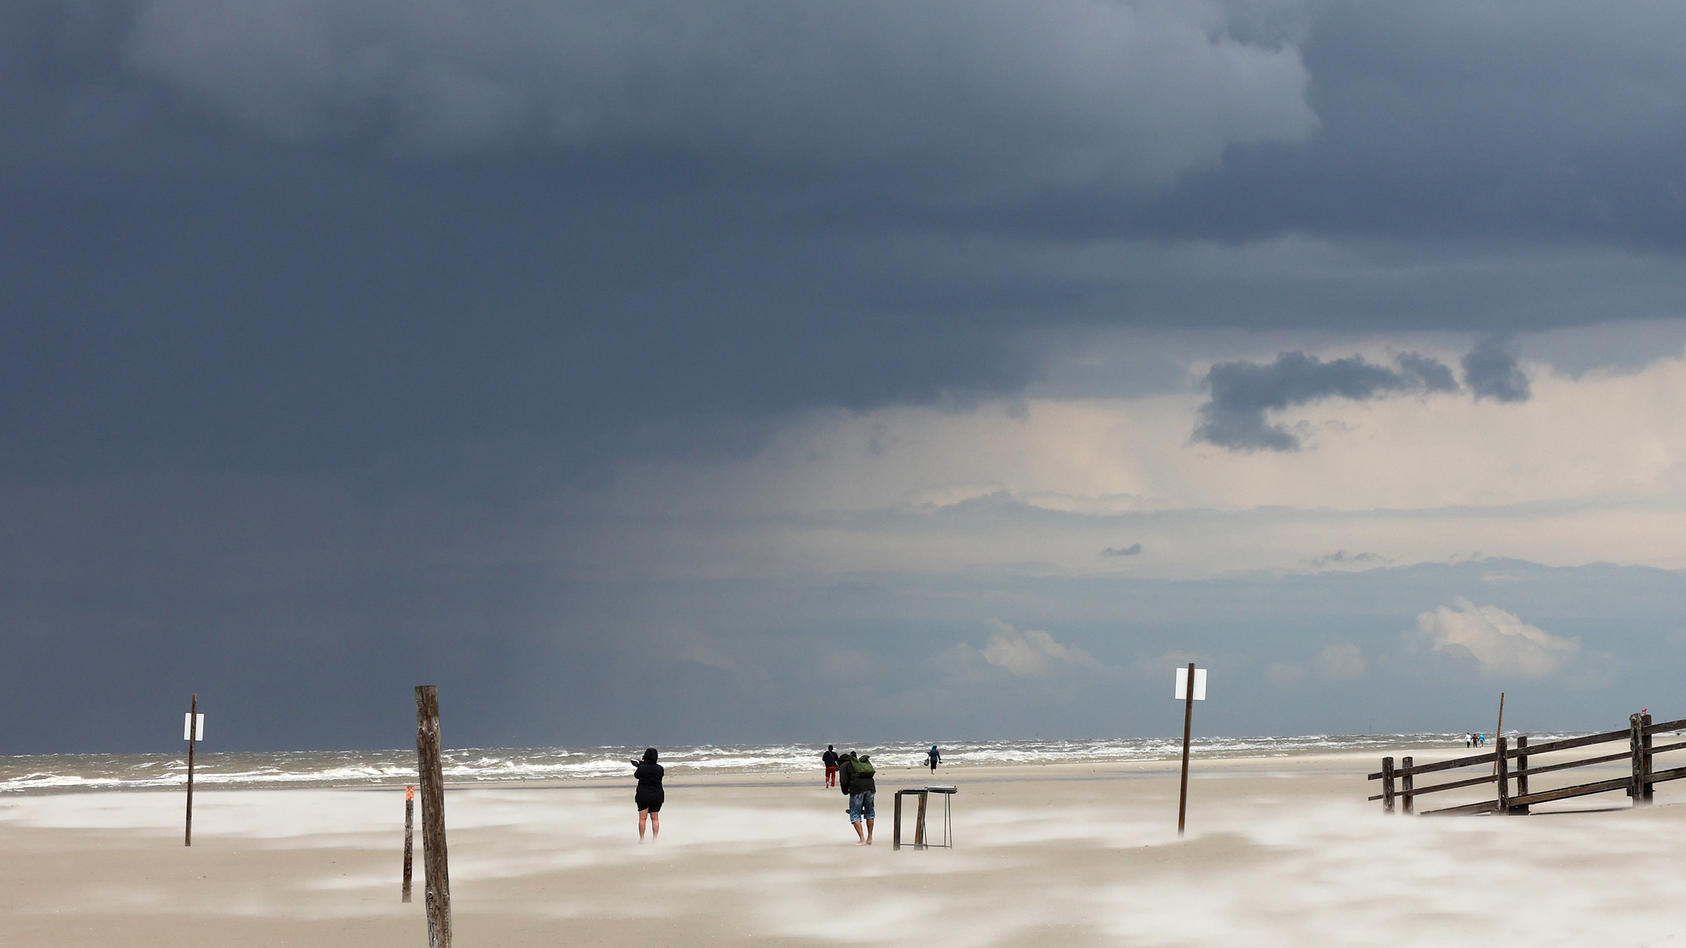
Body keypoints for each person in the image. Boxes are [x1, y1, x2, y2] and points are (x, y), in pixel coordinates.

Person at [839, 750, 876, 845]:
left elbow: (843, 781)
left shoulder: (844, 765)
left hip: (857, 789)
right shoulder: (858, 763)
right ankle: (870, 838)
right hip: (871, 787)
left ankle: (862, 839)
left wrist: (845, 791)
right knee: (870, 812)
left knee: (854, 813)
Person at [631, 747, 664, 842]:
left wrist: (641, 764)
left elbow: (636, 775)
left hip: (643, 795)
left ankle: (642, 840)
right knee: (655, 818)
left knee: (642, 818)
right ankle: (655, 840)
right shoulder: (660, 769)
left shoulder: (642, 768)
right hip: (657, 795)